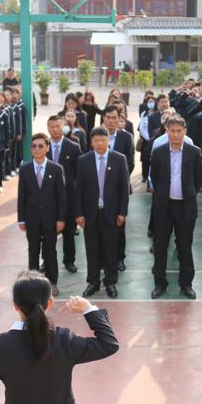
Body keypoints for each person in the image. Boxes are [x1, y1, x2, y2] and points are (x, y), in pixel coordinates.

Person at [0, 271, 119, 404]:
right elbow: (108, 344)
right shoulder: (64, 340)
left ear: (15, 305)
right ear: (50, 303)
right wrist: (88, 309)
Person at [150, 118, 202, 299]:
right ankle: (160, 283)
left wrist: (188, 193)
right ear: (167, 131)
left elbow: (198, 179)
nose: (175, 134)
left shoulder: (194, 152)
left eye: (178, 130)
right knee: (160, 246)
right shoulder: (158, 153)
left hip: (185, 207)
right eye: (172, 131)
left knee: (185, 247)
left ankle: (186, 283)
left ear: (185, 131)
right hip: (164, 206)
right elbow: (154, 177)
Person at [75, 126, 129, 299]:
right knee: (92, 249)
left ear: (108, 141)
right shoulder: (84, 160)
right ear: (91, 142)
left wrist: (122, 212)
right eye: (96, 141)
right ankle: (93, 282)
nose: (100, 144)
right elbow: (79, 189)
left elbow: (123, 188)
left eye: (103, 140)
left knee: (110, 249)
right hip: (90, 214)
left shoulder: (119, 159)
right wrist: (79, 213)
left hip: (111, 213)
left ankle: (110, 282)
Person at [17, 133, 66, 297]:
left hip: (51, 219)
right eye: (34, 146)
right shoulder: (25, 169)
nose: (37, 149)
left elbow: (61, 197)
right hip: (31, 219)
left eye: (40, 146)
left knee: (50, 250)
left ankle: (52, 282)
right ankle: (33, 283)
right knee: (33, 250)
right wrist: (21, 219)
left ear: (47, 148)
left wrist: (61, 218)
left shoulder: (56, 169)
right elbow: (22, 196)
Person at [47, 115, 82, 273]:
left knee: (68, 231)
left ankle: (69, 260)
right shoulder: (42, 146)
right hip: (47, 198)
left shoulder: (73, 146)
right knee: (46, 232)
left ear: (63, 127)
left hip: (67, 197)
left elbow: (78, 172)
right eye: (51, 126)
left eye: (57, 126)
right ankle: (46, 260)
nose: (54, 129)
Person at [102, 105, 135, 272]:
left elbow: (130, 163)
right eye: (108, 117)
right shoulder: (96, 136)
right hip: (99, 190)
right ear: (103, 119)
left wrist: (116, 180)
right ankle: (102, 259)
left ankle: (119, 258)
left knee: (119, 225)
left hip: (119, 190)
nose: (111, 121)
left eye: (114, 117)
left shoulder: (126, 137)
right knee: (100, 225)